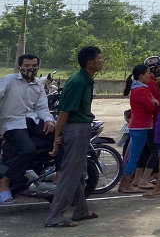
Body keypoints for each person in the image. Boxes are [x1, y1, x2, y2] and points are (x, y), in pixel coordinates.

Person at [45, 46, 103, 227]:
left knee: (79, 172)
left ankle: (81, 210)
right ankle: (55, 216)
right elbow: (64, 112)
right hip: (76, 129)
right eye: (99, 58)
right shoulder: (78, 81)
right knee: (70, 174)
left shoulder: (85, 79)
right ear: (90, 62)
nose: (102, 61)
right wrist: (57, 137)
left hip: (81, 128)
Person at [0, 53, 55, 205]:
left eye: (34, 66)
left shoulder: (38, 85)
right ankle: (4, 182)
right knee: (28, 149)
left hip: (31, 122)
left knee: (60, 137)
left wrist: (49, 120)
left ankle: (57, 175)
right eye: (27, 66)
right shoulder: (9, 81)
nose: (31, 69)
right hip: (12, 123)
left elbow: (42, 108)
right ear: (20, 67)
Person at [118, 63, 160, 193]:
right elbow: (151, 106)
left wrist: (153, 101)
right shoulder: (140, 90)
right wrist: (154, 101)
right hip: (140, 126)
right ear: (141, 76)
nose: (150, 75)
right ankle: (125, 184)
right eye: (148, 73)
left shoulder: (140, 88)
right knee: (134, 157)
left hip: (141, 125)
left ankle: (128, 182)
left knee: (135, 156)